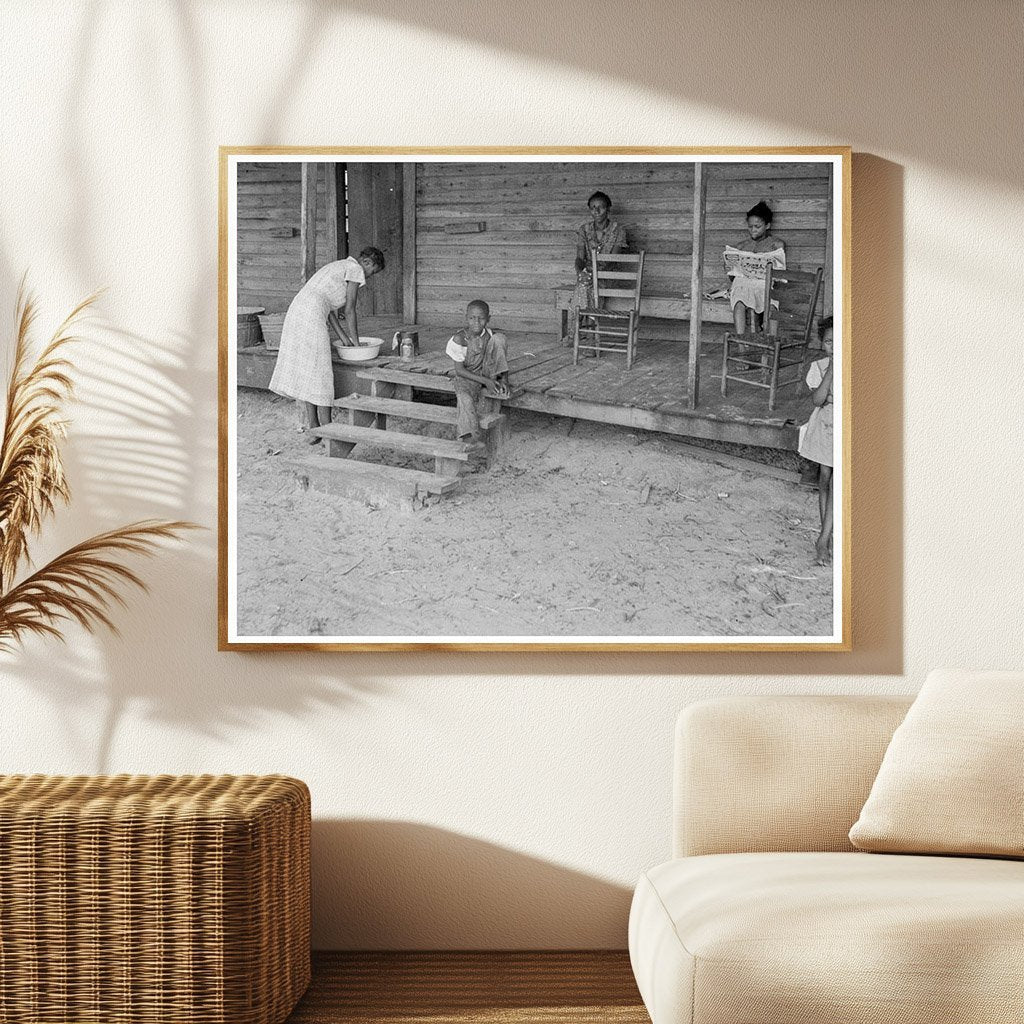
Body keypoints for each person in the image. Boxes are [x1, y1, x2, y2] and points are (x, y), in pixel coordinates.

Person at [269, 246, 385, 441]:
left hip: (299, 308)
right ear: (367, 263)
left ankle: (314, 428)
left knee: (308, 369)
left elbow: (330, 310)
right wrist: (357, 343)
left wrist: (344, 338)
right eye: (373, 272)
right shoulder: (355, 269)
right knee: (321, 370)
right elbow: (349, 310)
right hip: (311, 311)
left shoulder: (340, 265)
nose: (370, 277)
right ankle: (328, 429)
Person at [705, 200, 786, 334]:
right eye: (750, 226)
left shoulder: (776, 245)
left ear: (767, 225)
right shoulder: (741, 247)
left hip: (764, 285)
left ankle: (772, 343)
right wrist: (729, 269)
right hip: (742, 284)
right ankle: (741, 343)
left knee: (772, 306)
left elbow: (780, 273)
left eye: (757, 226)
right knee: (739, 303)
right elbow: (732, 278)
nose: (753, 230)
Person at [562, 191, 628, 346]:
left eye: (601, 207)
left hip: (609, 276)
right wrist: (581, 272)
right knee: (586, 286)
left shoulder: (618, 230)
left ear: (608, 209)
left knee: (586, 287)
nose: (596, 211)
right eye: (593, 208)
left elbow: (613, 260)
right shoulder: (584, 229)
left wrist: (593, 274)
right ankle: (592, 338)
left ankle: (575, 335)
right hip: (588, 277)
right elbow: (579, 258)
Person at [446, 300, 511, 448]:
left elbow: (499, 354)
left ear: (488, 319)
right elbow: (460, 371)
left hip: (488, 372)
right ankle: (469, 438)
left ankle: (497, 379)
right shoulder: (459, 339)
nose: (476, 322)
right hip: (467, 376)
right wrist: (485, 381)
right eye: (472, 318)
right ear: (466, 318)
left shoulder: (489, 335)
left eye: (481, 318)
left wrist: (504, 379)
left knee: (500, 338)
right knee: (464, 398)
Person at [798, 316, 835, 565]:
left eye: (840, 342)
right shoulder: (818, 367)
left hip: (845, 426)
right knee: (824, 480)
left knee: (837, 482)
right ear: (823, 344)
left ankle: (822, 539)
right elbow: (818, 400)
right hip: (824, 425)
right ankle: (827, 533)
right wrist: (833, 367)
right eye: (830, 342)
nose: (834, 346)